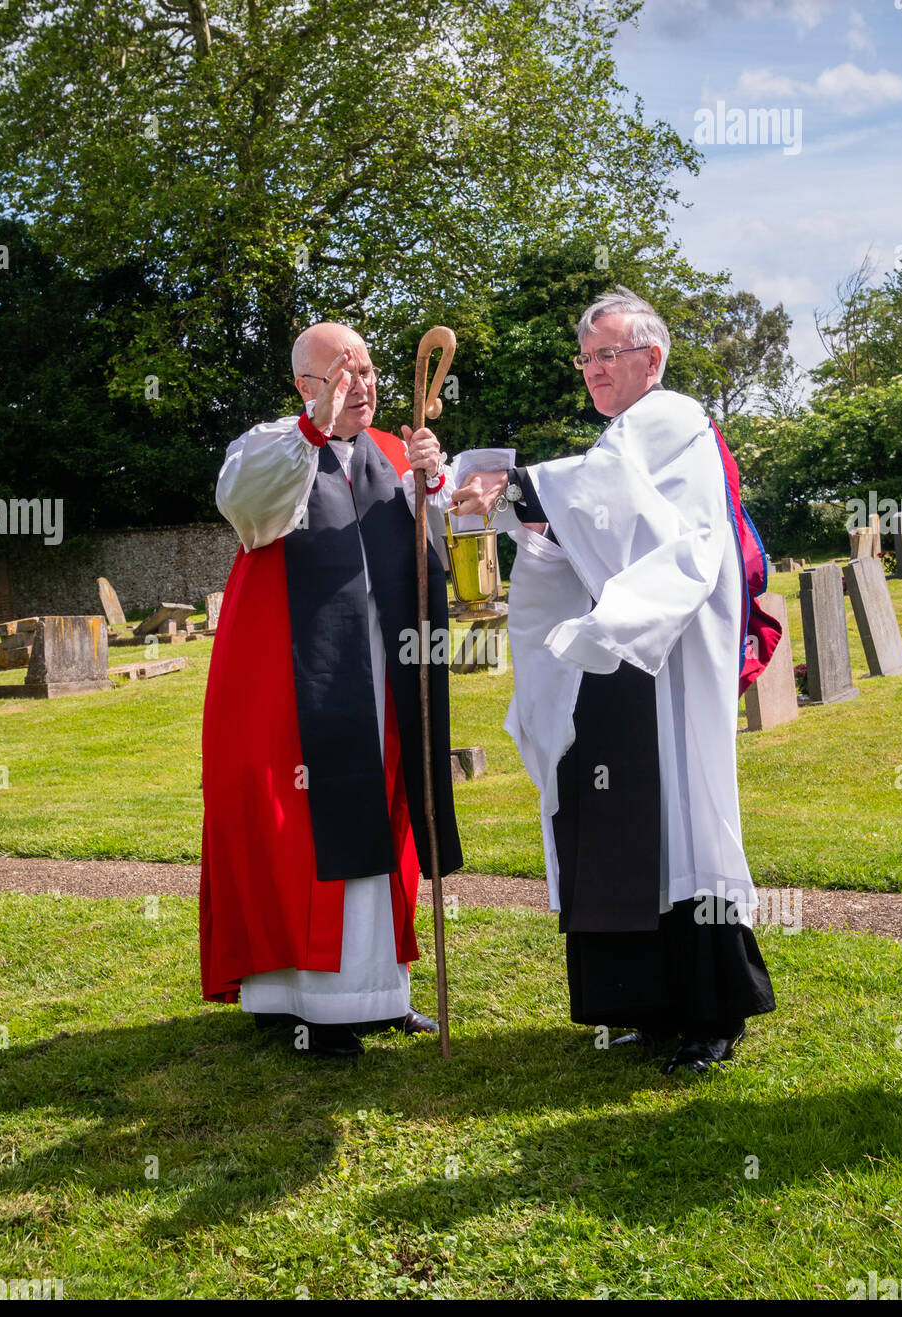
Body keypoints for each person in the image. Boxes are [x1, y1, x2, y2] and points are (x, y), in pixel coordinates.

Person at [453, 288, 777, 1075]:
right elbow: (591, 528)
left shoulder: (671, 420)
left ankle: (711, 1014)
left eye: (607, 354)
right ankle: (647, 1004)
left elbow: (621, 510)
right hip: (615, 659)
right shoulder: (623, 440)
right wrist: (526, 527)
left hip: (663, 659)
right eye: (586, 358)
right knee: (615, 821)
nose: (593, 371)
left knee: (680, 823)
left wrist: (519, 487)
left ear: (651, 359)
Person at [200, 322, 462, 1058]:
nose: (363, 384)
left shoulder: (388, 454)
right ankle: (302, 1002)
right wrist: (311, 433)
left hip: (379, 682)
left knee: (381, 818)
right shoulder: (273, 445)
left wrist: (430, 484)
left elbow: (430, 552)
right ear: (304, 387)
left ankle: (376, 992)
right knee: (295, 830)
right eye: (342, 374)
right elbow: (245, 504)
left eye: (369, 370)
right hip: (291, 689)